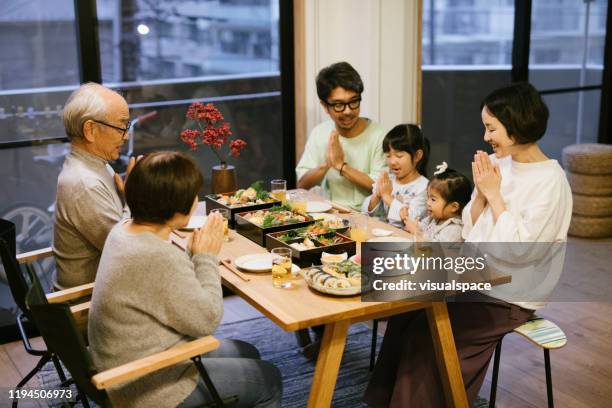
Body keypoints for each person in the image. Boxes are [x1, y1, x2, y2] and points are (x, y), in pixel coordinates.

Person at [364, 82, 572, 407]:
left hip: (510, 294)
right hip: (473, 274)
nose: (486, 136)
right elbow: (471, 228)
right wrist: (481, 199)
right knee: (403, 313)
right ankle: (381, 402)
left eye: (492, 128)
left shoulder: (551, 181)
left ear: (516, 126)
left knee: (426, 337)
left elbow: (521, 251)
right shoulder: (497, 164)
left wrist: (494, 195)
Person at [88, 151, 282, 408]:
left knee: (248, 352)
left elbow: (162, 286)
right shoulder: (157, 256)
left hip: (126, 359)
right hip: (146, 385)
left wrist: (193, 255)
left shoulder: (123, 229)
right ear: (177, 207)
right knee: (269, 379)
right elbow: (206, 321)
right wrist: (206, 257)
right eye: (193, 195)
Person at [53, 82, 139, 288]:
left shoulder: (93, 164)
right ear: (90, 130)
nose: (126, 136)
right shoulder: (84, 184)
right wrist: (134, 198)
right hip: (86, 303)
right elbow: (125, 251)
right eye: (121, 126)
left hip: (106, 285)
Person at [296, 61, 387, 211]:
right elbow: (302, 184)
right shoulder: (319, 133)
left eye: (354, 102)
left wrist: (341, 166)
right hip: (328, 213)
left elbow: (380, 188)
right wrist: (327, 164)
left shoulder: (379, 135)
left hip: (367, 218)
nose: (348, 111)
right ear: (325, 106)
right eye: (338, 105)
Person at [362, 124, 429, 227]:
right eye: (388, 155)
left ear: (417, 156)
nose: (392, 162)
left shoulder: (425, 187)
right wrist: (377, 195)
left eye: (399, 156)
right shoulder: (389, 180)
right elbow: (367, 212)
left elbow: (411, 219)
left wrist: (386, 196)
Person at [400, 162, 472, 242]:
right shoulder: (435, 218)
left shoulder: (454, 229)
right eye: (428, 197)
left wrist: (416, 232)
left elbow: (436, 250)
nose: (428, 203)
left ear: (454, 207)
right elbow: (422, 226)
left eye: (433, 199)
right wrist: (409, 220)